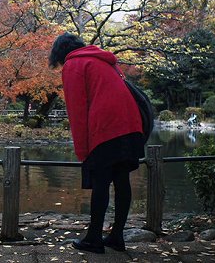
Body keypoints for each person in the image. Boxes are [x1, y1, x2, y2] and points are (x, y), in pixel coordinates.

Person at [49, 32, 145, 254]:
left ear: (60, 53)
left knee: (101, 180)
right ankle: (116, 236)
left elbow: (77, 111)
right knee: (122, 179)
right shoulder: (106, 61)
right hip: (131, 125)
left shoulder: (74, 64)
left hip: (106, 127)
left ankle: (94, 238)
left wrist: (83, 150)